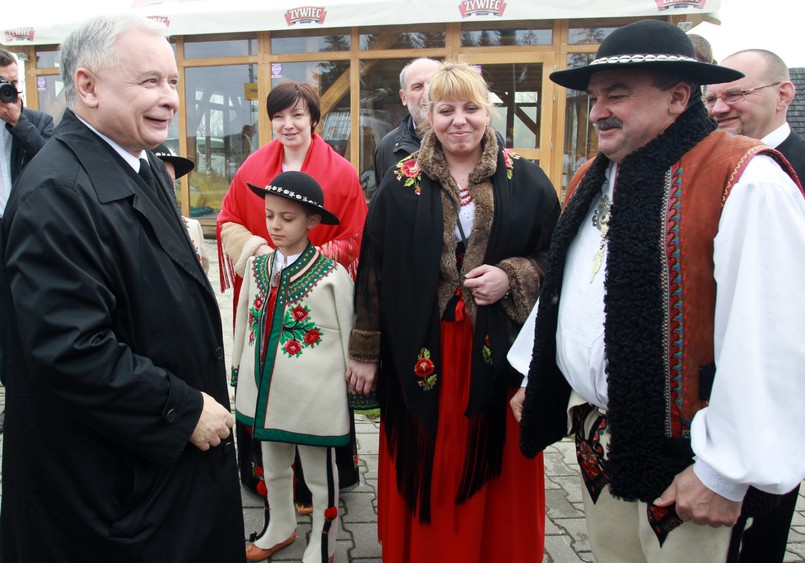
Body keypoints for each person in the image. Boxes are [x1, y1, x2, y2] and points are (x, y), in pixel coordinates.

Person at [511, 20, 805, 562]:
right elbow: (570, 287)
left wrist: (724, 471)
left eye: (617, 95)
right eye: (594, 98)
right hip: (601, 444)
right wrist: (538, 372)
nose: (597, 111)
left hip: (689, 466)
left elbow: (772, 341)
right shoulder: (594, 175)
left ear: (678, 97)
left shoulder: (746, 179)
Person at [0, 14, 245, 561]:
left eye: (172, 81)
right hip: (113, 495)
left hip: (157, 477)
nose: (170, 99)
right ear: (87, 86)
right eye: (149, 81)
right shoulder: (57, 194)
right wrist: (181, 409)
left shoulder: (143, 162)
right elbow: (69, 350)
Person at [347, 62, 560, 562]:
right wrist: (365, 351)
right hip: (423, 351)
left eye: (470, 108)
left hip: (499, 355)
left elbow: (557, 259)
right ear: (427, 115)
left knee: (497, 461)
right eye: (445, 110)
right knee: (432, 460)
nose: (458, 120)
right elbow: (373, 268)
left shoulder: (528, 180)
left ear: (488, 112)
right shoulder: (399, 183)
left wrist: (511, 276)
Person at [217, 81, 366, 514]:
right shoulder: (253, 166)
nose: (288, 124)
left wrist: (309, 261)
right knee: (264, 373)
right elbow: (227, 220)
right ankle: (265, 481)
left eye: (298, 115)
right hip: (264, 292)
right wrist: (259, 251)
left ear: (314, 119)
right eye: (279, 116)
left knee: (313, 383)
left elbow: (357, 234)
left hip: (315, 303)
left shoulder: (341, 172)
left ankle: (319, 484)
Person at [704, 48, 805, 563]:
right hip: (717, 378)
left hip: (780, 373)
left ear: (783, 94)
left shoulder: (791, 171)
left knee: (763, 524)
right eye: (712, 98)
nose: (719, 107)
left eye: (736, 94)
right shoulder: (703, 168)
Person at [232, 171, 353, 563]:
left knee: (319, 472)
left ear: (312, 221)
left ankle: (323, 539)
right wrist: (238, 369)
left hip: (314, 395)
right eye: (269, 215)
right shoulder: (257, 268)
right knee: (272, 464)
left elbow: (349, 334)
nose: (275, 225)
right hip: (264, 390)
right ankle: (280, 527)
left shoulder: (332, 276)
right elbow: (243, 323)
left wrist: (351, 388)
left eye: (287, 217)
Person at [0, 48, 54, 425]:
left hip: (22, 231)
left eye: (14, 83)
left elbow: (53, 163)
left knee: (23, 317)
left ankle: (26, 399)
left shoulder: (37, 121)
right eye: (3, 84)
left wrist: (19, 124)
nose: (10, 90)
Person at [373, 58, 441, 187]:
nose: (427, 93)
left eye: (434, 84)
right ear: (404, 97)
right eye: (417, 87)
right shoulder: (388, 147)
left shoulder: (467, 138)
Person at [152, 142, 210, 274]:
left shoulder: (192, 227)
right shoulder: (128, 229)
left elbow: (202, 274)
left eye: (170, 181)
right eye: (157, 180)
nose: (165, 188)